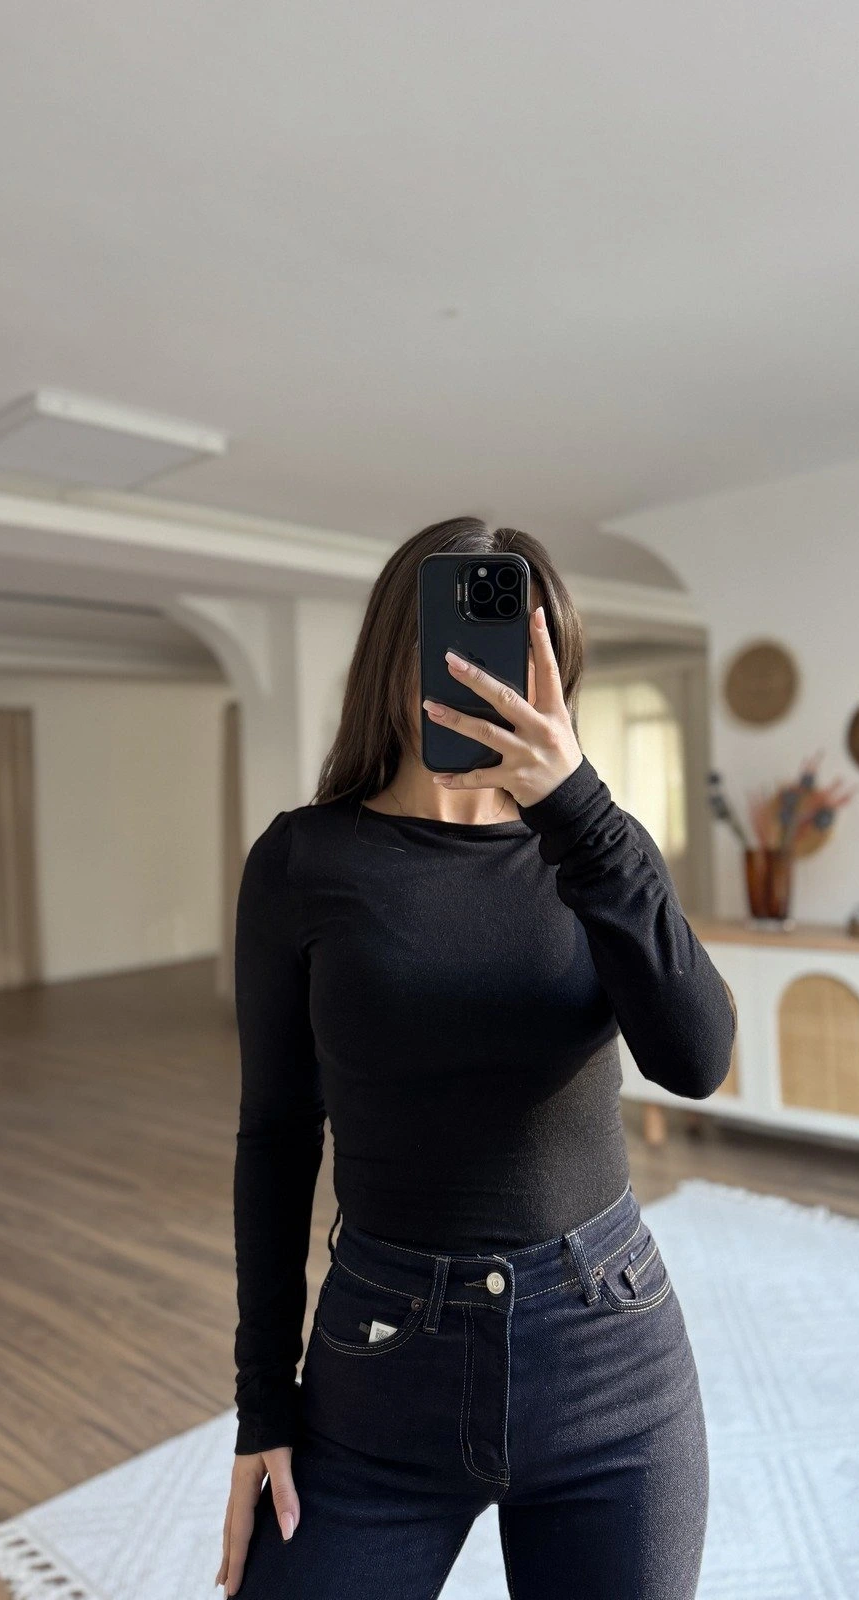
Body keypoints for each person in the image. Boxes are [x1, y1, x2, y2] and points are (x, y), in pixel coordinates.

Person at [216, 517, 737, 1598]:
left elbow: (697, 1058)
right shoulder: (304, 859)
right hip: (380, 1364)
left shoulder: (598, 846)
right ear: (395, 658)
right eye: (456, 650)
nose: (485, 679)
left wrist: (577, 807)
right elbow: (275, 1134)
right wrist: (262, 1402)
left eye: (520, 656)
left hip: (610, 1359)